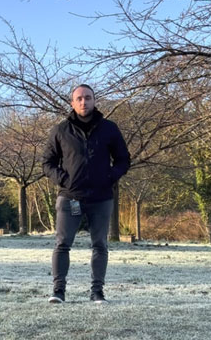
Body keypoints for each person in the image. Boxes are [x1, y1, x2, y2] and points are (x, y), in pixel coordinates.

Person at [42, 84, 130, 304]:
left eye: (88, 98)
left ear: (94, 101)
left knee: (100, 245)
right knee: (62, 244)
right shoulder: (60, 130)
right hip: (69, 196)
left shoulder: (109, 128)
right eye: (79, 98)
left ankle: (97, 292)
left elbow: (123, 160)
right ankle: (58, 291)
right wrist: (63, 179)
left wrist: (110, 177)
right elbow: (47, 163)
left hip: (101, 197)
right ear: (72, 102)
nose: (84, 102)